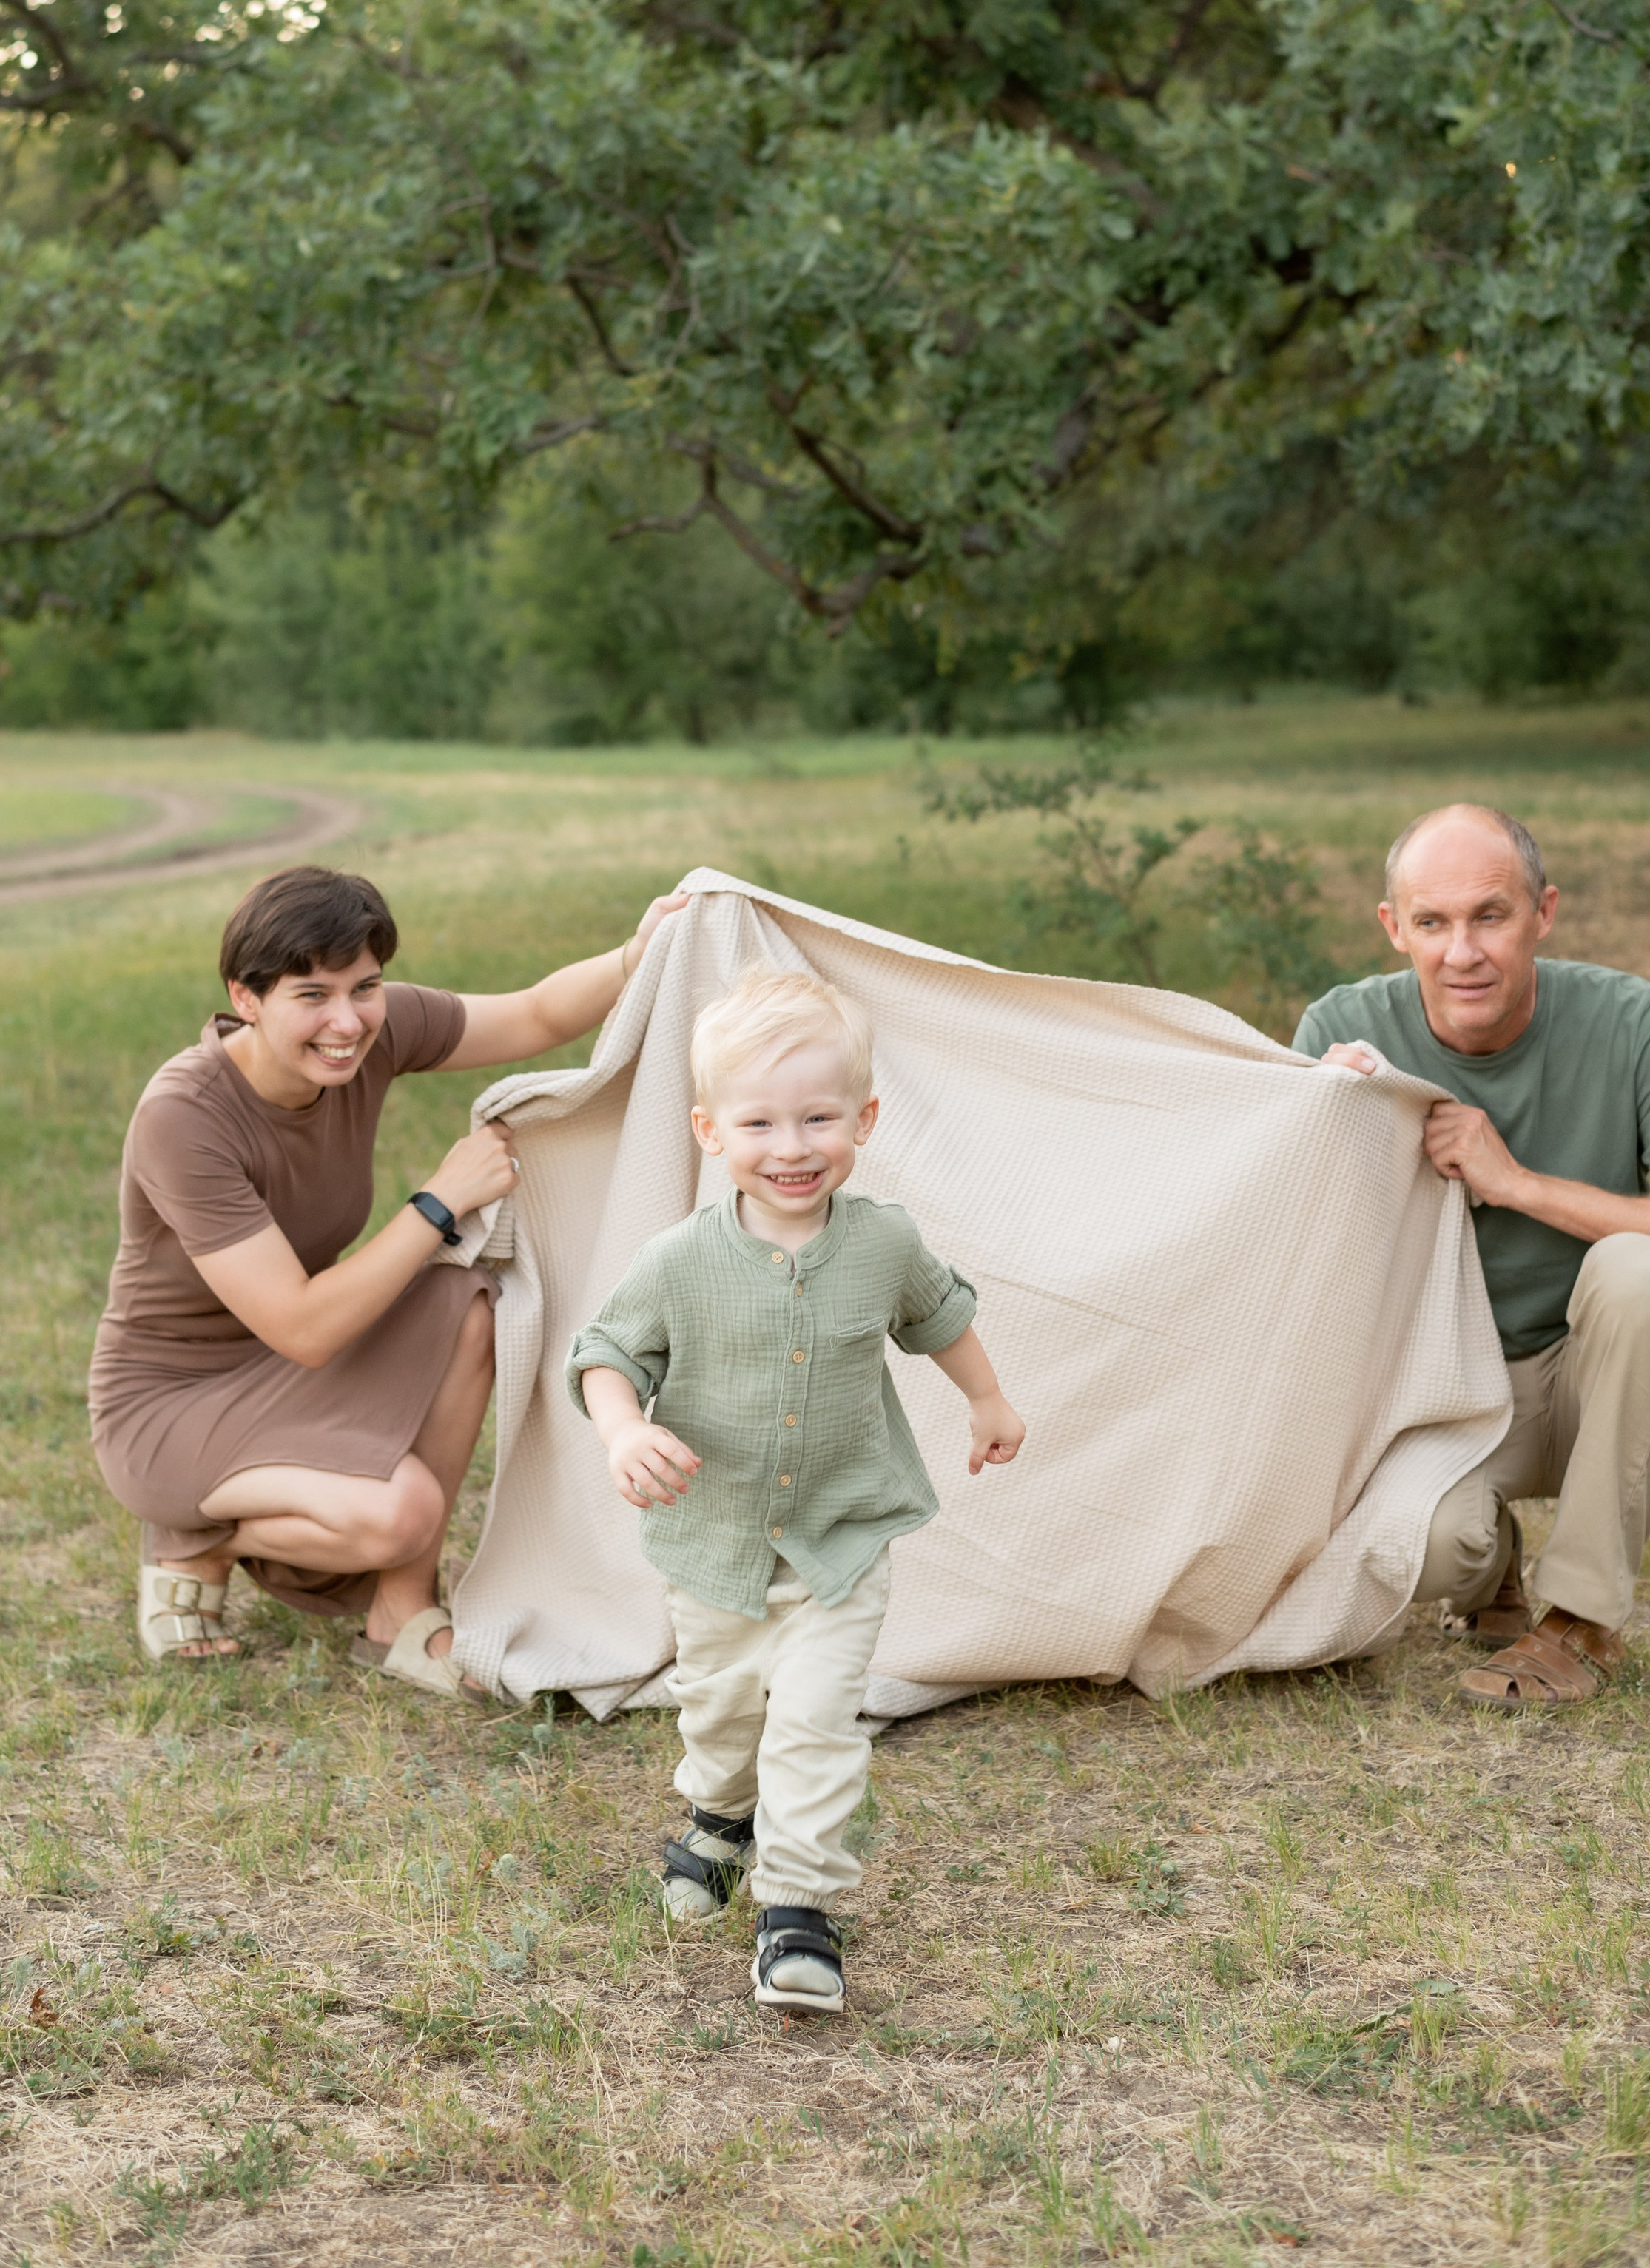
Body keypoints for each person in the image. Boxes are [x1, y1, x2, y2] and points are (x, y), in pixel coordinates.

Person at [93, 863, 686, 1698]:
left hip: (287, 1375)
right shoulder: (183, 1116)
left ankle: (399, 1617)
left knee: (469, 1305)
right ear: (247, 995)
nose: (346, 1021)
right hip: (172, 1404)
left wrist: (640, 951)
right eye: (313, 994)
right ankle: (193, 1539)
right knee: (399, 1510)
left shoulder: (373, 1028)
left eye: (365, 985)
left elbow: (534, 1013)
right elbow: (303, 1325)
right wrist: (440, 1200)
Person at [568, 965, 1026, 2014]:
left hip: (841, 1537)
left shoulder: (883, 1242)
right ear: (710, 1129)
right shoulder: (680, 1257)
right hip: (714, 1543)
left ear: (862, 1116)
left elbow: (939, 1314)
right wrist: (623, 1424)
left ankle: (797, 1909)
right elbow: (606, 1350)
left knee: (817, 1721)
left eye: (819, 1116)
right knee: (723, 1711)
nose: (793, 1145)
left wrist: (988, 1399)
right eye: (761, 1121)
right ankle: (720, 1816)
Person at [1293, 803, 1650, 1711]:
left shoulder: (1630, 1019)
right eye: (1431, 923)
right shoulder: (1341, 1028)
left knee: (1639, 1271)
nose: (1461, 952)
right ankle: (1491, 1571)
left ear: (1541, 913)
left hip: (1599, 1368)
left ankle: (1582, 1620)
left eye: (1490, 915)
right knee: (1435, 1550)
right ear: (1394, 927)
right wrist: (1327, 1130)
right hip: (1445, 1386)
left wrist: (1514, 1183)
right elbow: (1288, 1251)